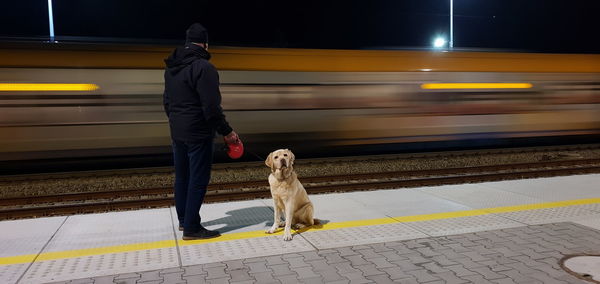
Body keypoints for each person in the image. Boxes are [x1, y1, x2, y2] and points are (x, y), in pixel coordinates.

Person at [163, 23, 240, 240]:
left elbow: (166, 102)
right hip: (198, 133)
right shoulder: (204, 68)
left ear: (187, 42)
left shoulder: (171, 68)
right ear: (205, 43)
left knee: (182, 177)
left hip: (177, 131)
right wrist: (227, 132)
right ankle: (192, 228)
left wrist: (177, 121)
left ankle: (183, 220)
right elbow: (211, 108)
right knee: (197, 179)